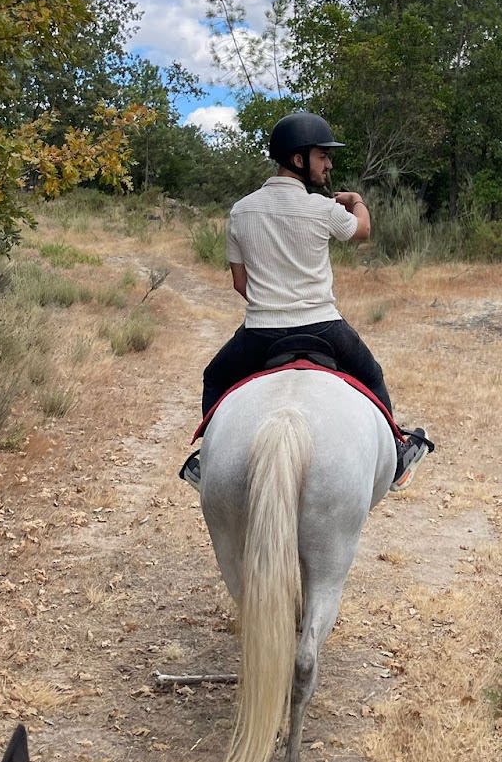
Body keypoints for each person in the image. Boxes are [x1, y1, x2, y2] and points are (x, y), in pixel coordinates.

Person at [179, 112, 433, 492]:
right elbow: (362, 230)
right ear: (298, 159)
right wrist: (356, 201)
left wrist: (271, 303)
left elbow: (238, 282)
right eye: (322, 155)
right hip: (324, 327)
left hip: (260, 332)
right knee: (373, 373)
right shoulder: (322, 208)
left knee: (214, 377)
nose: (329, 163)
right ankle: (397, 457)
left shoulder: (241, 210)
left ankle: (206, 463)